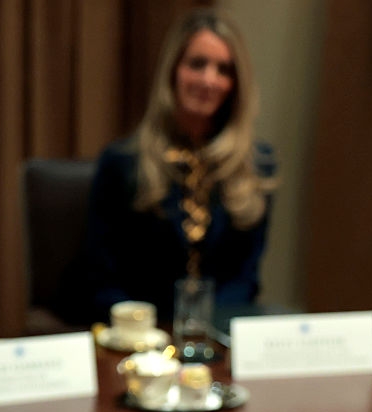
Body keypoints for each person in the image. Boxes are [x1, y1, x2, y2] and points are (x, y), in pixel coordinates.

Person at [64, 8, 277, 325]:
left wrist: (206, 329)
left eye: (224, 69)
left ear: (236, 83)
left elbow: (245, 279)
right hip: (139, 337)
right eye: (197, 64)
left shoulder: (257, 166)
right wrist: (147, 331)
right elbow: (102, 276)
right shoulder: (122, 162)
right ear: (173, 71)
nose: (209, 80)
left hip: (218, 336)